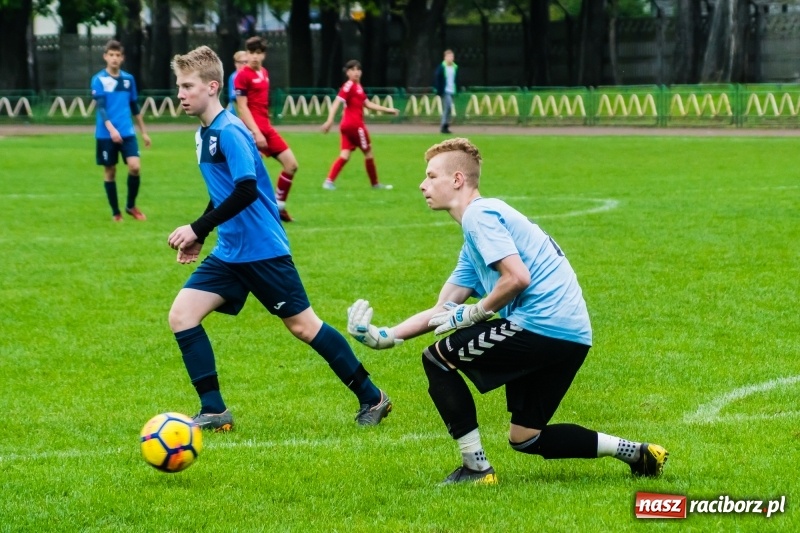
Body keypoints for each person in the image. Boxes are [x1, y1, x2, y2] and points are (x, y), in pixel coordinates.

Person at [346, 138, 669, 484]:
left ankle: (476, 468)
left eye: (430, 176)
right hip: (572, 335)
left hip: (541, 326)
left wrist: (474, 314)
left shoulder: (478, 216)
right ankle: (639, 453)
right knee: (526, 437)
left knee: (437, 359)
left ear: (457, 179)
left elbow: (517, 278)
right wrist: (386, 336)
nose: (422, 185)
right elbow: (444, 309)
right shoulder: (476, 237)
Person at [168, 45, 392, 432]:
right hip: (230, 252)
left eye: (188, 86)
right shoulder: (203, 135)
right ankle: (214, 410)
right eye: (178, 86)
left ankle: (373, 396)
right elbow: (222, 191)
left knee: (304, 327)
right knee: (182, 316)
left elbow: (246, 189)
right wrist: (202, 234)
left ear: (212, 86)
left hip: (262, 251)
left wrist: (198, 226)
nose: (180, 93)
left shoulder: (230, 131)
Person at [234, 36, 297, 222]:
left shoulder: (264, 73)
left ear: (264, 55)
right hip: (251, 132)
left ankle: (279, 206)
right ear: (247, 53)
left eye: (258, 53)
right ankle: (240, 214)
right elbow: (242, 107)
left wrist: (264, 129)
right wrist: (256, 132)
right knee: (247, 176)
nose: (254, 57)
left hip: (267, 129)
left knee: (291, 165)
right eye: (251, 52)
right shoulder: (242, 75)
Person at [91, 39, 151, 221]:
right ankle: (116, 212)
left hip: (127, 132)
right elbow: (101, 108)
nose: (114, 58)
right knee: (110, 171)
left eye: (117, 55)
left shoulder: (128, 80)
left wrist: (144, 132)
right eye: (111, 55)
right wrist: (111, 130)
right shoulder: (98, 79)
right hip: (105, 134)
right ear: (105, 57)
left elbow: (134, 106)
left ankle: (131, 206)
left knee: (135, 167)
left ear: (122, 58)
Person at [320, 60, 399, 191]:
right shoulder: (349, 85)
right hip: (355, 126)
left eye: (358, 69)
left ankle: (328, 182)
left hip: (346, 126)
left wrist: (388, 110)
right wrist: (329, 120)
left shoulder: (358, 87)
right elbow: (337, 102)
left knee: (344, 155)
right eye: (353, 69)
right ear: (347, 72)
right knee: (368, 152)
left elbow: (368, 104)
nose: (356, 72)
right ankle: (375, 184)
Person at [433, 49, 457, 134]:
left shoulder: (454, 67)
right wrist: (438, 90)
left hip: (452, 90)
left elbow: (456, 79)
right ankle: (444, 125)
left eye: (452, 56)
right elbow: (438, 78)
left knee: (449, 108)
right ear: (445, 57)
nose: (451, 58)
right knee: (448, 107)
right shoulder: (442, 67)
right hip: (445, 90)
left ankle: (446, 125)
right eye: (449, 56)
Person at [226, 51, 247, 117]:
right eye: (241, 62)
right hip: (235, 111)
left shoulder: (249, 76)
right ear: (236, 63)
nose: (244, 64)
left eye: (246, 62)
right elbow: (234, 99)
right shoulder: (234, 77)